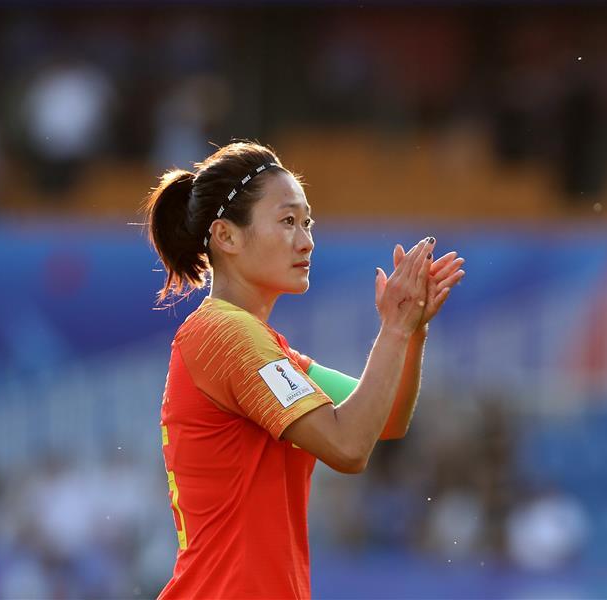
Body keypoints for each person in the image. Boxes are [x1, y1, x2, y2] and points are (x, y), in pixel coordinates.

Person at [142, 141, 465, 599]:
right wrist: (392, 331)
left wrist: (411, 332)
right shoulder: (224, 335)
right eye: (288, 221)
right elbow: (348, 446)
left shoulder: (264, 350)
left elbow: (386, 419)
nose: (307, 240)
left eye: (308, 222)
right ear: (226, 236)